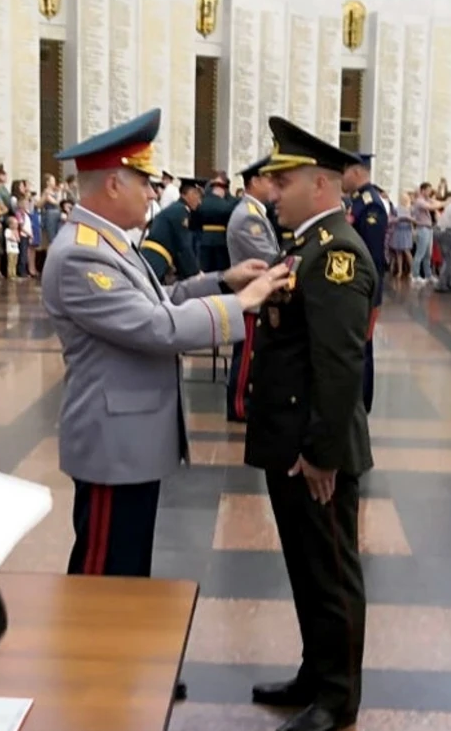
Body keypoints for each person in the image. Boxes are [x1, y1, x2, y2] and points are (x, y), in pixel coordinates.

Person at [41, 108, 289, 583]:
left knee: (128, 566)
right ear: (114, 184)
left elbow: (163, 298)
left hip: (129, 437)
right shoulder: (81, 253)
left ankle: (116, 651)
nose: (153, 193)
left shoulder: (110, 242)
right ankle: (94, 657)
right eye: (145, 182)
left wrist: (222, 280)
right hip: (113, 442)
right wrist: (243, 304)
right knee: (104, 578)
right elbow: (156, 326)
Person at [245, 116, 377, 731]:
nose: (275, 190)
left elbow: (340, 362)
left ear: (321, 185)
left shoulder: (339, 253)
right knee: (305, 567)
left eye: (285, 179)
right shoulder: (306, 245)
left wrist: (322, 453)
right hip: (292, 440)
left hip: (315, 450)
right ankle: (313, 671)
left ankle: (338, 697)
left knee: (330, 572)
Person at [226, 156, 280, 423]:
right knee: (246, 354)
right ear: (254, 181)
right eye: (268, 179)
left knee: (250, 351)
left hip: (254, 295)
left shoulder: (255, 212)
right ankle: (239, 406)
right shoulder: (249, 216)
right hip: (250, 297)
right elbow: (269, 256)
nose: (273, 185)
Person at [343, 153, 389, 413]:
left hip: (364, 289)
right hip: (355, 287)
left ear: (358, 172)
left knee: (362, 345)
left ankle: (361, 400)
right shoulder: (357, 201)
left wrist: (367, 291)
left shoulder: (370, 204)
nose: (342, 177)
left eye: (345, 171)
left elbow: (371, 256)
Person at [142, 176, 203, 283]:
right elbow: (183, 246)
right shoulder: (180, 211)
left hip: (153, 257)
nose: (199, 202)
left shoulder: (176, 208)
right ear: (190, 194)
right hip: (156, 260)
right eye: (198, 197)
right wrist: (195, 273)